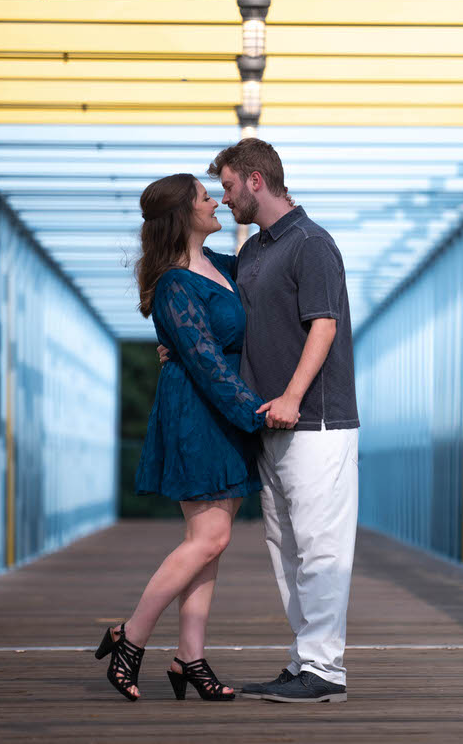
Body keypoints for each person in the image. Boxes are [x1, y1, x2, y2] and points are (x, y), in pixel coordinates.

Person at [161, 138, 359, 703]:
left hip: (317, 421)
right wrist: (173, 338)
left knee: (321, 548)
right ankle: (306, 664)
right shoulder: (252, 253)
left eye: (225, 187)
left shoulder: (312, 244)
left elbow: (324, 325)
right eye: (215, 192)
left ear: (254, 181)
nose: (222, 201)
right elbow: (200, 287)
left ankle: (326, 670)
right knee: (288, 551)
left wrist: (294, 395)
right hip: (269, 426)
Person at [95, 172, 293, 702]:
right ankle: (131, 639)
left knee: (209, 547)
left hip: (223, 413)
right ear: (184, 214)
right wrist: (257, 411)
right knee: (209, 540)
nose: (217, 203)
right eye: (207, 198)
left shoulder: (222, 266)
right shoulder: (175, 284)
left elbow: (248, 306)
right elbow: (205, 361)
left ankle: (190, 658)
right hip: (200, 414)